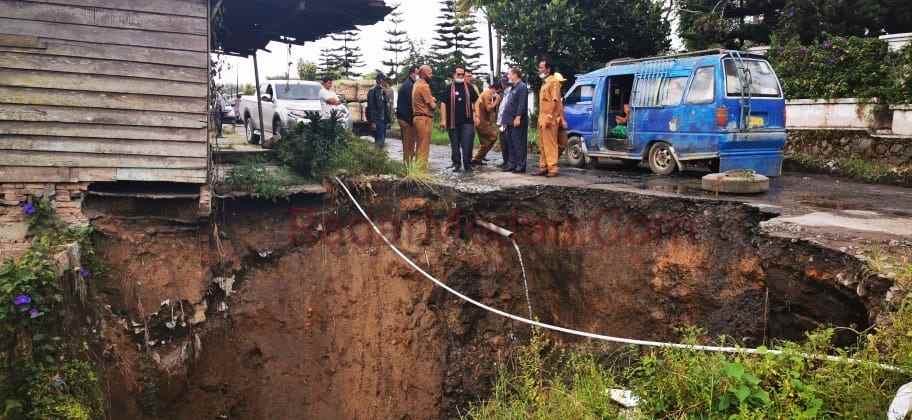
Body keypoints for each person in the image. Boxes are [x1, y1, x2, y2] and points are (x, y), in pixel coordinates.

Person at [439, 66, 479, 173]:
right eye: (458, 74)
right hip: (452, 122)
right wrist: (443, 120)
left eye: (462, 74)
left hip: (467, 121)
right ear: (454, 75)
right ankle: (456, 164)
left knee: (467, 144)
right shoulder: (448, 88)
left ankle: (467, 164)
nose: (460, 76)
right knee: (455, 144)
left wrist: (476, 115)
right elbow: (443, 103)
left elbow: (476, 101)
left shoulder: (469, 87)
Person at [536, 59, 567, 177]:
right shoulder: (545, 82)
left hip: (549, 117)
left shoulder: (554, 82)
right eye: (539, 67)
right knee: (543, 144)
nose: (540, 70)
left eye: (541, 67)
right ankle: (543, 167)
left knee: (550, 144)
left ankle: (552, 168)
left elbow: (555, 101)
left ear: (548, 69)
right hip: (542, 117)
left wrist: (549, 116)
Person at [503, 67, 529, 173]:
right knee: (511, 143)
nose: (508, 76)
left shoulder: (522, 87)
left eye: (509, 74)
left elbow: (522, 104)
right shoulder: (514, 87)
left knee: (519, 143)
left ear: (515, 75)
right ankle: (512, 164)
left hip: (517, 120)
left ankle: (520, 165)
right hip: (509, 120)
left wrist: (518, 117)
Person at [411, 65, 437, 169]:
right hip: (424, 118)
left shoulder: (416, 84)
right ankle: (421, 171)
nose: (431, 75)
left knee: (419, 146)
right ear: (424, 73)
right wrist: (433, 100)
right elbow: (433, 106)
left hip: (417, 118)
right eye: (430, 73)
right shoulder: (424, 86)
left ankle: (417, 170)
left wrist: (430, 99)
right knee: (424, 147)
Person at [471, 81, 503, 165]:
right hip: (482, 122)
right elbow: (488, 108)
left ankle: (477, 159)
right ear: (495, 89)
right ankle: (477, 158)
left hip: (482, 121)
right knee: (494, 136)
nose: (498, 93)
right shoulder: (487, 94)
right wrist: (497, 100)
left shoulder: (486, 93)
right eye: (498, 91)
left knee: (485, 143)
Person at [397, 66, 419, 163]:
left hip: (405, 118)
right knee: (408, 146)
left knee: (408, 145)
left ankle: (408, 166)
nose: (418, 76)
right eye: (417, 73)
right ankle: (407, 168)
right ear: (412, 73)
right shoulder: (409, 86)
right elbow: (412, 104)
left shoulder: (408, 84)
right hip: (406, 120)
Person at [366, 72, 392, 149]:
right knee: (379, 141)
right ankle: (377, 157)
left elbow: (386, 106)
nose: (385, 82)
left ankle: (380, 157)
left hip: (383, 120)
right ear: (380, 80)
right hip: (377, 120)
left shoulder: (383, 91)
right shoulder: (372, 91)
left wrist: (388, 120)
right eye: (384, 80)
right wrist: (373, 122)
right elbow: (371, 107)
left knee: (382, 141)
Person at [496, 76, 513, 170]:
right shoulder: (504, 93)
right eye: (502, 82)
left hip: (506, 122)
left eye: (504, 82)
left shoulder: (510, 92)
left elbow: (508, 108)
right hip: (502, 122)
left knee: (508, 144)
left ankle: (509, 163)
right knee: (503, 144)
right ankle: (505, 161)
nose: (503, 84)